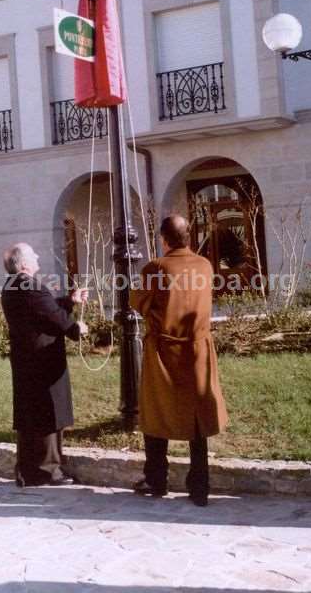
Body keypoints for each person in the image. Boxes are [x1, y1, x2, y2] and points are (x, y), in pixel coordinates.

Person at [130, 215, 228, 506]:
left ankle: (156, 479)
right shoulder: (205, 265)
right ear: (188, 236)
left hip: (164, 350)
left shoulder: (156, 268)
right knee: (197, 415)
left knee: (156, 410)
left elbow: (137, 301)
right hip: (197, 349)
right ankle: (200, 487)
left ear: (164, 239)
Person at [1, 243, 88, 487]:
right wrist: (75, 328)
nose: (38, 256)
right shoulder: (30, 286)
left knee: (30, 415)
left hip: (26, 358)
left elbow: (42, 308)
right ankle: (47, 471)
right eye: (33, 254)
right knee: (47, 413)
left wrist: (69, 300)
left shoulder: (13, 285)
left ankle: (27, 470)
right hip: (42, 360)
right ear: (24, 263)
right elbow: (51, 315)